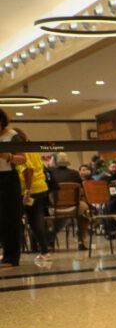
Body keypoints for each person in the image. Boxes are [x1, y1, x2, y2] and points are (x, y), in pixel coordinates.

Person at [12, 131, 52, 263]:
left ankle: (18, 250)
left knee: (26, 220)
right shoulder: (32, 150)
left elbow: (27, 170)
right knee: (36, 220)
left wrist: (27, 191)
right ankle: (44, 251)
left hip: (29, 190)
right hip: (40, 188)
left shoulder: (21, 151)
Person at [0, 111, 27, 268]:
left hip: (8, 179)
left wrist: (7, 156)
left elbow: (23, 158)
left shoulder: (12, 136)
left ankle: (11, 257)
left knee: (8, 218)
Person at [50, 153, 90, 251]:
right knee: (84, 209)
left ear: (55, 162)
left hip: (53, 208)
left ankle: (48, 240)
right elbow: (81, 191)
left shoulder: (49, 173)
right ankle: (81, 239)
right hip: (74, 208)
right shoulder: (75, 173)